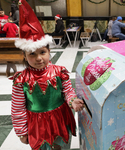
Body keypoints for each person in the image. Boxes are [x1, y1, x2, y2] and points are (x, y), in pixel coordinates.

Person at [11, 0, 84, 150]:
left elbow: (68, 91)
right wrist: (21, 132)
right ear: (24, 56)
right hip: (37, 124)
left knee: (62, 145)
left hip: (60, 119)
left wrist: (72, 101)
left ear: (49, 51)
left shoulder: (59, 72)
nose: (38, 58)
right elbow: (17, 108)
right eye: (32, 54)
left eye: (43, 52)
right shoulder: (21, 80)